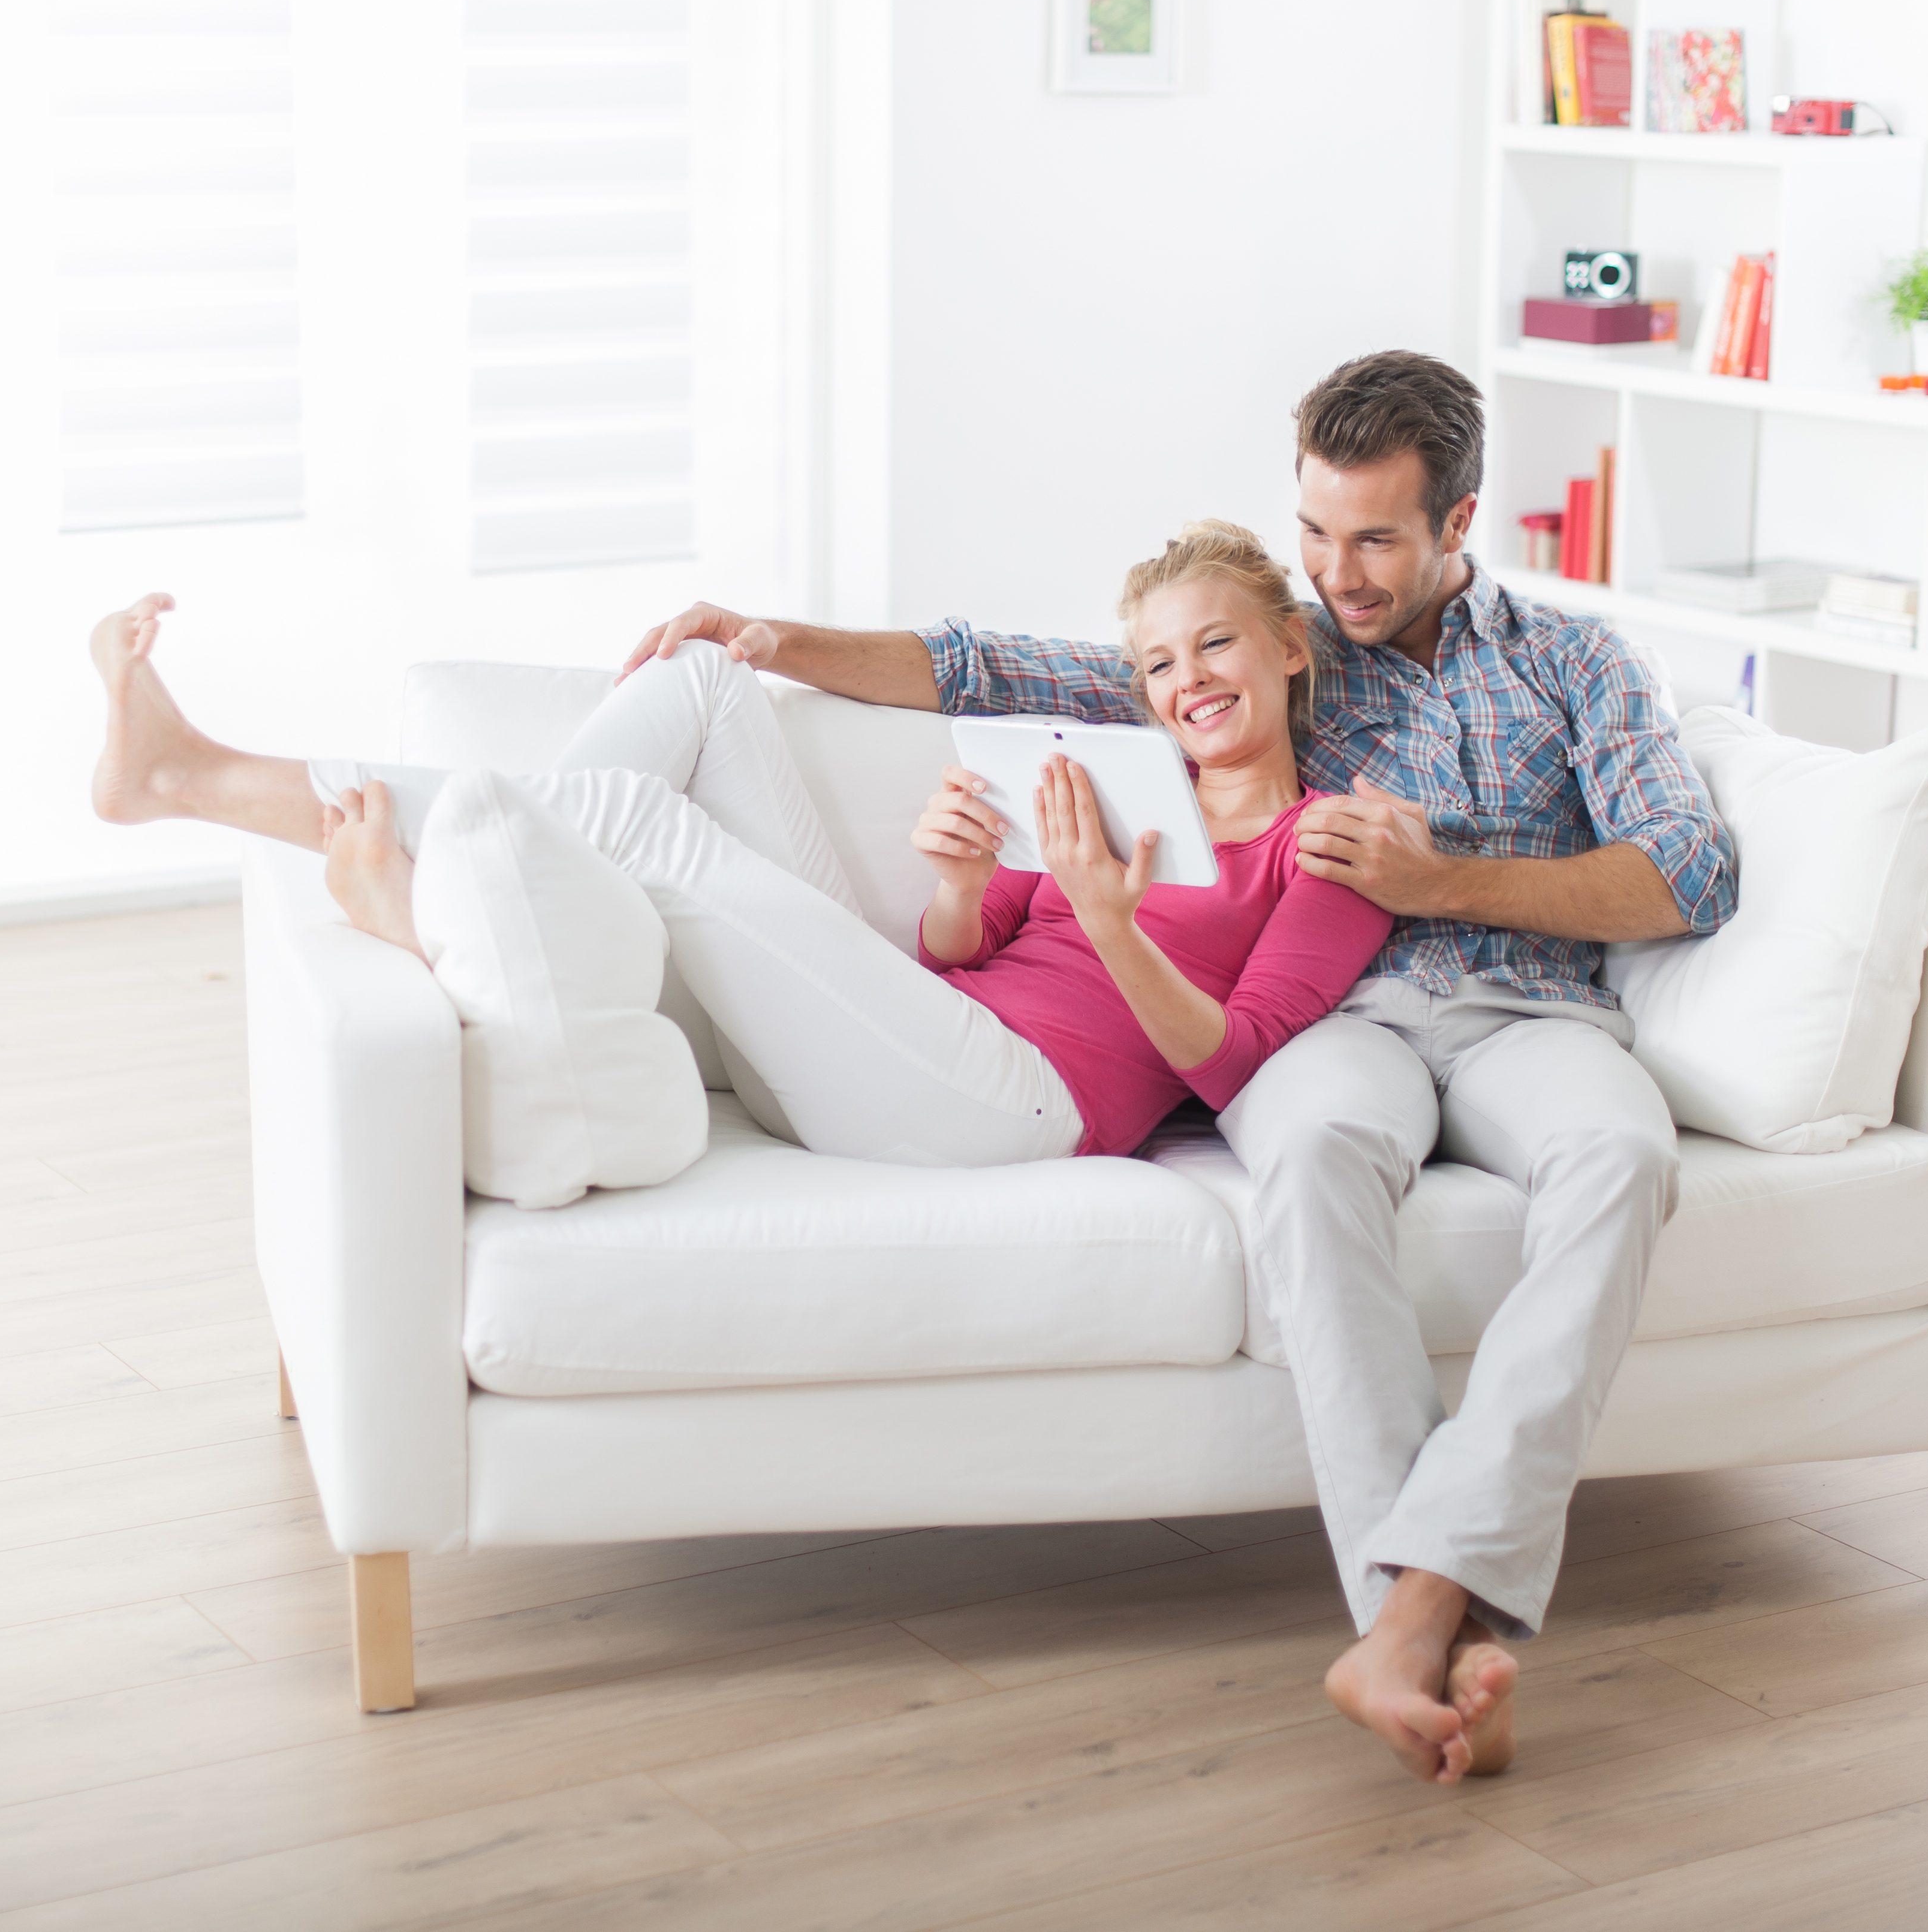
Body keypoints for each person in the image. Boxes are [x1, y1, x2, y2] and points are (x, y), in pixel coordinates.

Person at [617, 351, 1736, 1786]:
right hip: (1327, 1026)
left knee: (1625, 1160)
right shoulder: (1272, 647)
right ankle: (1415, 1638)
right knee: (1321, 1160)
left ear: (1459, 525)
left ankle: (1418, 1617)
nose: (1339, 573)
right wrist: (768, 637)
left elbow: (1685, 873)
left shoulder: (1572, 663)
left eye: (1378, 540)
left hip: (1526, 1017)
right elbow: (991, 666)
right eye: (1317, 535)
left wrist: (1448, 877)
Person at [87, 521, 1389, 1183]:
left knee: (648, 830)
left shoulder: (1319, 848)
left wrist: (1108, 921)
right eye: (1159, 664)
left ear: (1287, 646)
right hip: (899, 1036)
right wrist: (953, 882)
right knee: (709, 681)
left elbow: (1227, 1068)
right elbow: (968, 944)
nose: (1187, 682)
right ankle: (245, 800)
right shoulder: (1114, 784)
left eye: (1214, 646)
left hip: (1013, 1108)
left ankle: (308, 841)